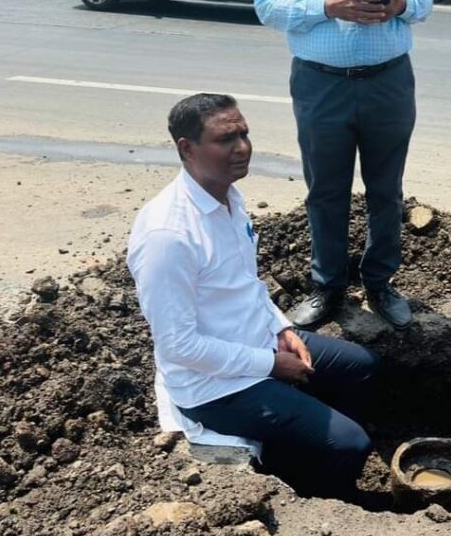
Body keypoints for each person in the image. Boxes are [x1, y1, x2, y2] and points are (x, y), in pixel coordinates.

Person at [128, 94, 379, 499]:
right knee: (351, 444)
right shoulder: (168, 237)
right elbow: (178, 347)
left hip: (258, 341)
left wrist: (281, 328)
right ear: (187, 148)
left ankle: (311, 447)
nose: (242, 147)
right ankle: (324, 499)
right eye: (226, 139)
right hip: (214, 386)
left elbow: (244, 283)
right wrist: (270, 364)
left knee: (363, 367)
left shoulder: (228, 197)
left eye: (244, 133)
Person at [255, 0, 434, 331]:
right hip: (321, 83)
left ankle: (379, 282)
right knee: (326, 191)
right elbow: (267, 5)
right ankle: (328, 285)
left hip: (388, 82)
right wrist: (325, 6)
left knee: (386, 190)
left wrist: (400, 5)